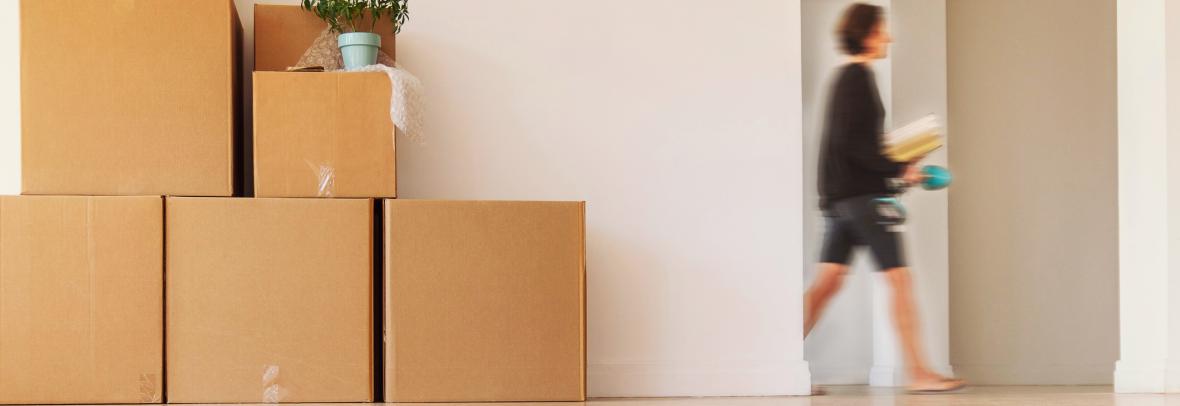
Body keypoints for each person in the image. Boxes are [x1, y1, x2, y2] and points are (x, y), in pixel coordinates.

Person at [804, 3, 966, 394]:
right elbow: (855, 147)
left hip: (843, 201)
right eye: (882, 31)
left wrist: (897, 164)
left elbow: (850, 147)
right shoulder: (858, 78)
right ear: (866, 34)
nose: (889, 38)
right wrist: (899, 169)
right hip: (861, 201)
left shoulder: (845, 79)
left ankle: (778, 367)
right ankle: (920, 374)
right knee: (899, 280)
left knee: (827, 283)